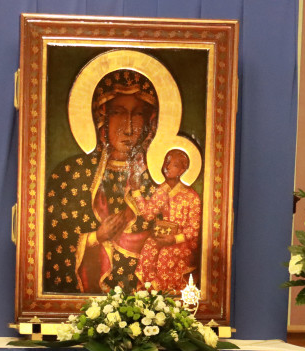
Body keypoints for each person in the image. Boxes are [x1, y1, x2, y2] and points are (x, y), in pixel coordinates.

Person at [43, 69, 158, 294]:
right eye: (118, 112)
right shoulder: (71, 174)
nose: (129, 127)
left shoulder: (158, 179)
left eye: (137, 114)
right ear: (101, 116)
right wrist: (96, 237)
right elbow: (53, 246)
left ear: (150, 120)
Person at [132, 147, 203, 292]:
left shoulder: (191, 196)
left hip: (182, 243)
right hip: (163, 237)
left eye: (174, 165)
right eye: (166, 162)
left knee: (166, 255)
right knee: (149, 248)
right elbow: (148, 214)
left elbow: (193, 231)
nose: (167, 167)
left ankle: (165, 297)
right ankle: (148, 294)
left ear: (182, 170)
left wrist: (173, 239)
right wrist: (136, 191)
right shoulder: (162, 191)